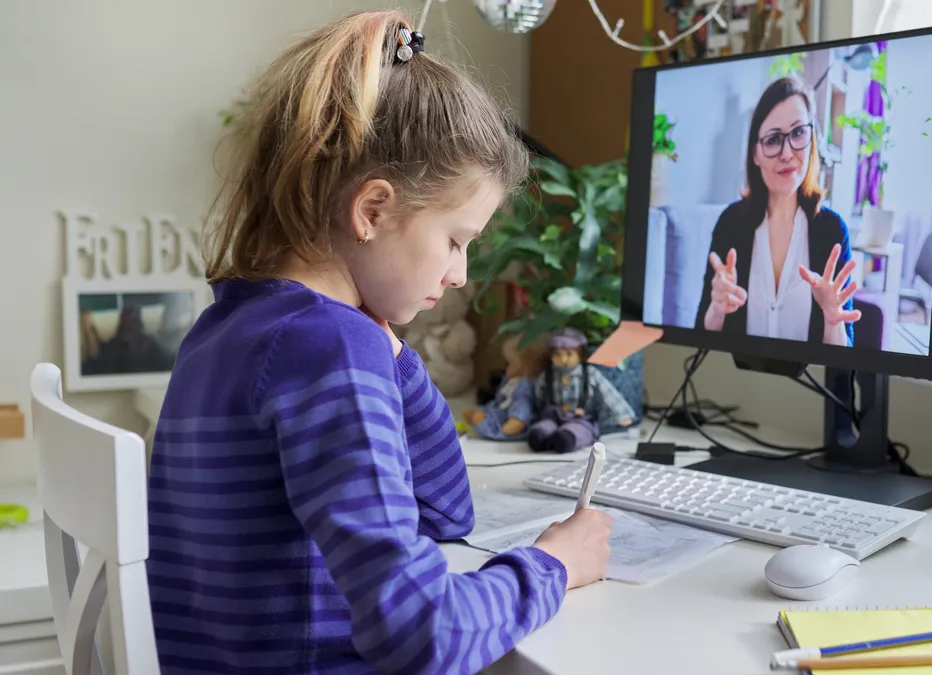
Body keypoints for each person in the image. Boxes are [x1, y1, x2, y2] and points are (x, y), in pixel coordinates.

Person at [145, 11, 612, 674]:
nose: (460, 273)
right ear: (372, 211)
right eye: (456, 240)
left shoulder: (226, 327)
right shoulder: (328, 350)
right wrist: (554, 565)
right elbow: (424, 635)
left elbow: (446, 512)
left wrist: (394, 353)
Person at [696, 76, 861, 346]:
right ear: (755, 154)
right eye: (773, 140)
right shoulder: (730, 223)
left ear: (812, 141)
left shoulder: (832, 230)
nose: (786, 153)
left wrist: (833, 322)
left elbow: (842, 367)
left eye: (798, 133)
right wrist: (716, 310)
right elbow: (701, 341)